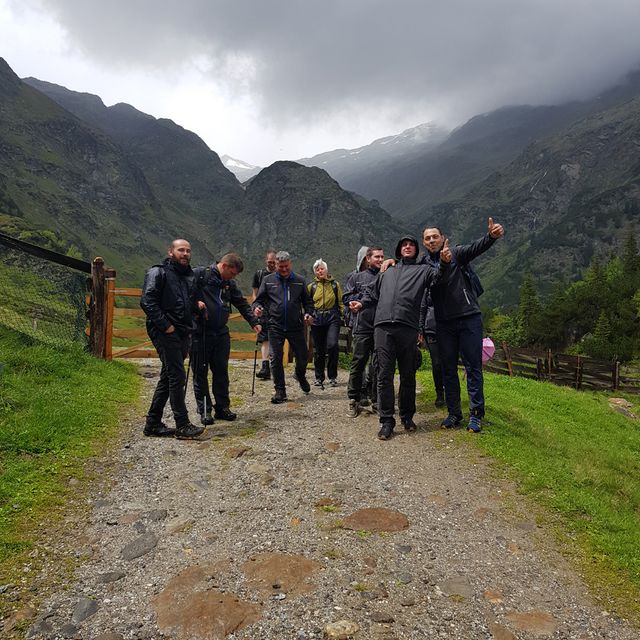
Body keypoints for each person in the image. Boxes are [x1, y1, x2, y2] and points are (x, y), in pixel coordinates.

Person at [351, 236, 451, 440]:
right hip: (383, 327)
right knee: (384, 374)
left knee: (408, 375)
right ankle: (386, 421)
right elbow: (371, 294)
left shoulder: (423, 271)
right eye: (404, 244)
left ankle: (407, 416)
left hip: (408, 327)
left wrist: (445, 262)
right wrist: (360, 304)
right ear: (398, 249)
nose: (408, 247)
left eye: (412, 245)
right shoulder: (387, 271)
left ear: (416, 250)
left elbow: (439, 277)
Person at [421, 218, 504, 433]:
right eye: (427, 238)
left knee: (473, 367)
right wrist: (389, 263)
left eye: (435, 237)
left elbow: (477, 247)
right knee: (448, 369)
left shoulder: (457, 253)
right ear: (423, 243)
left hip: (468, 317)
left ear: (442, 238)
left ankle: (476, 414)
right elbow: (405, 269)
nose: (431, 241)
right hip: (443, 323)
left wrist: (491, 237)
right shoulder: (423, 266)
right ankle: (454, 413)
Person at [140, 239, 204, 440]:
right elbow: (147, 301)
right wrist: (166, 326)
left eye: (188, 250)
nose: (185, 253)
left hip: (182, 330)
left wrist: (196, 308)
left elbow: (186, 303)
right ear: (170, 252)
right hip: (165, 330)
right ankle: (182, 425)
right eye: (181, 250)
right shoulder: (157, 273)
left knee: (168, 376)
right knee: (177, 376)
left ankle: (153, 423)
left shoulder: (188, 277)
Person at [192, 253, 261, 425]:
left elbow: (241, 303)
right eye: (233, 273)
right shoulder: (200, 275)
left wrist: (254, 322)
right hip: (200, 332)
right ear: (224, 266)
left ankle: (222, 407)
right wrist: (195, 303)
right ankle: (205, 410)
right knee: (200, 372)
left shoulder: (228, 284)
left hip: (221, 333)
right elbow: (182, 293)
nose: (234, 277)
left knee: (221, 372)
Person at [253, 251, 315, 404]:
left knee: (303, 356)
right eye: (281, 267)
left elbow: (308, 303)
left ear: (290, 264)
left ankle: (300, 375)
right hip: (275, 325)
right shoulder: (268, 281)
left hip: (295, 326)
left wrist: (309, 314)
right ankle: (280, 391)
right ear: (276, 266)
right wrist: (257, 308)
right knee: (276, 358)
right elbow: (258, 301)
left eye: (286, 266)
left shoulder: (300, 281)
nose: (284, 270)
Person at [343, 246, 384, 417]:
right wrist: (355, 302)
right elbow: (346, 297)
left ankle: (377, 401)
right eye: (377, 257)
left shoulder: (386, 277)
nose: (380, 260)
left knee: (378, 365)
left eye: (382, 257)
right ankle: (354, 399)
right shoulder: (356, 278)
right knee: (358, 363)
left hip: (381, 326)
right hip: (362, 327)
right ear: (368, 259)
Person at [308, 259, 344, 388]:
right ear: (315, 272)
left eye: (322, 268)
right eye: (317, 269)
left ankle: (332, 376)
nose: (320, 271)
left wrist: (343, 314)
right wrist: (308, 315)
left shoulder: (335, 285)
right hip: (317, 319)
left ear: (326, 270)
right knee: (319, 350)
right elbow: (308, 304)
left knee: (332, 345)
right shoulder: (311, 287)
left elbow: (340, 302)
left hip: (332, 318)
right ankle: (319, 378)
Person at [252, 250, 277, 380]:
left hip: (276, 310)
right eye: (269, 262)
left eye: (274, 262)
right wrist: (255, 307)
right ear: (265, 261)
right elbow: (255, 293)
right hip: (263, 310)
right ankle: (265, 367)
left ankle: (274, 366)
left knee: (276, 338)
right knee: (264, 338)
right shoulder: (259, 274)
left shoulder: (280, 275)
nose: (272, 264)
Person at [418, 291, 446, 407]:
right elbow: (422, 308)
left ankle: (451, 393)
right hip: (431, 329)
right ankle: (440, 393)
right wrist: (420, 329)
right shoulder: (427, 286)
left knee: (449, 362)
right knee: (437, 363)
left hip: (448, 328)